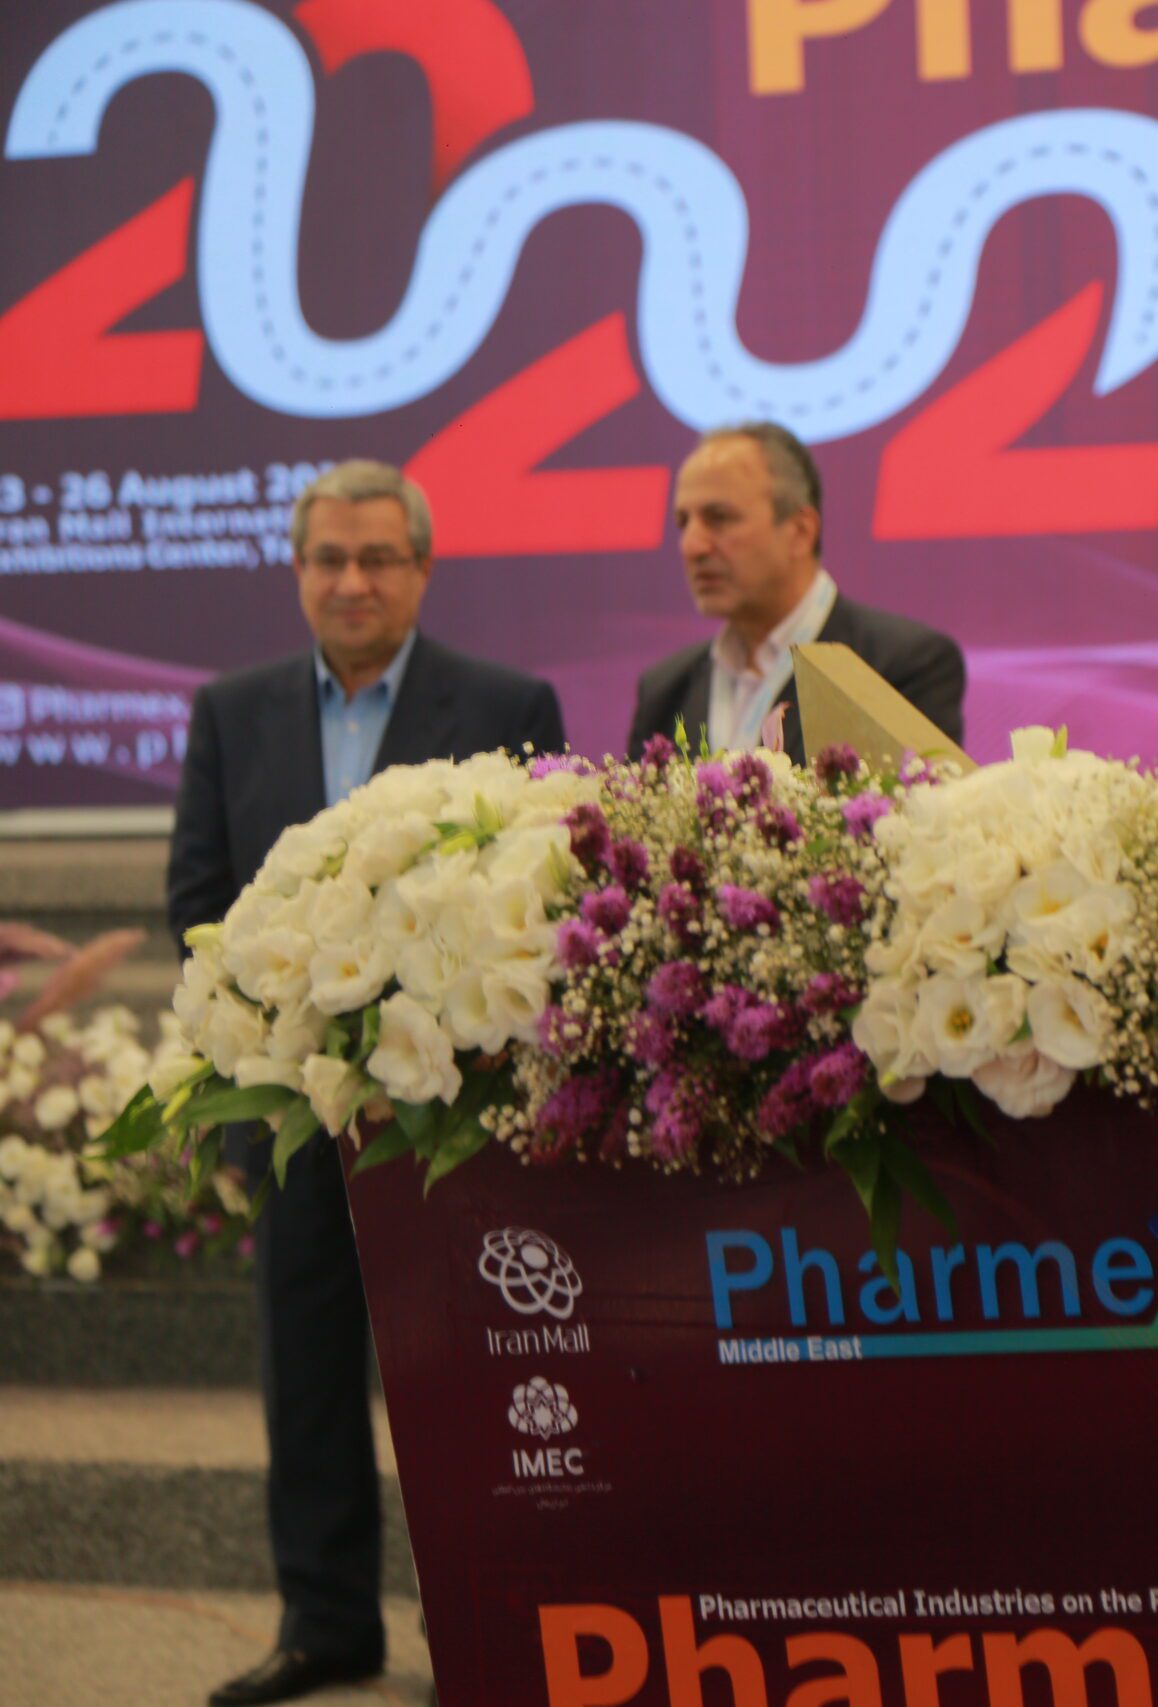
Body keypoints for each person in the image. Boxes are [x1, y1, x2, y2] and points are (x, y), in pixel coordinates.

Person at [168, 461, 565, 1706]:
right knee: (308, 1385)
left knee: (475, 1389)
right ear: (297, 572)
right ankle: (325, 1624)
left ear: (421, 570)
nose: (351, 581)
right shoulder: (231, 712)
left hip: (451, 1128)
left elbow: (546, 899)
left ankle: (493, 1635)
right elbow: (199, 906)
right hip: (298, 1119)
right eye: (328, 558)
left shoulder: (505, 703)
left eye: (377, 558)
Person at [627, 422, 965, 760]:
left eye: (719, 518)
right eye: (683, 522)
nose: (692, 546)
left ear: (801, 531)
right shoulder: (664, 691)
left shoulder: (900, 668)